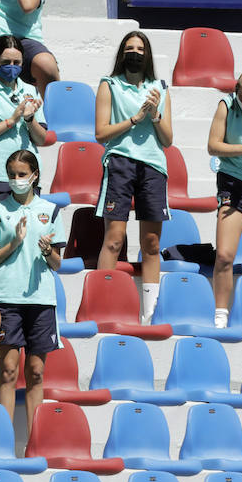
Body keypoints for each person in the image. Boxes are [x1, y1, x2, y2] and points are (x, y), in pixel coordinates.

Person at [0, 149, 64, 437]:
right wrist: (14, 244)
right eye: (12, 175)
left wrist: (46, 251)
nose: (16, 180)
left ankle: (34, 441)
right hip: (7, 299)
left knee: (36, 373)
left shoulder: (51, 210)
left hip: (41, 300)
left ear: (34, 175)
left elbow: (57, 263)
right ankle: (5, 441)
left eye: (21, 174)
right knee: (7, 370)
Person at [94, 30, 172, 324]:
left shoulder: (160, 88)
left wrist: (154, 116)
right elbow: (101, 133)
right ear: (122, 53)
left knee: (151, 243)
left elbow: (168, 139)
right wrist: (133, 120)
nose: (135, 53)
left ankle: (149, 314)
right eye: (130, 48)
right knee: (114, 240)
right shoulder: (109, 85)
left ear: (148, 54)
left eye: (140, 48)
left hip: (153, 166)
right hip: (120, 163)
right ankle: (103, 306)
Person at [0, 34, 51, 213]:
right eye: (6, 62)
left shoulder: (30, 90)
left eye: (16, 62)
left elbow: (41, 139)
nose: (11, 67)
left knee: (29, 237)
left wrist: (29, 120)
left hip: (28, 177)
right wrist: (11, 121)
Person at [210, 71, 242, 330]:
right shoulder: (227, 105)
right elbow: (213, 146)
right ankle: (220, 314)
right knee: (224, 254)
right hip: (233, 181)